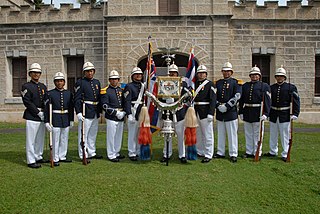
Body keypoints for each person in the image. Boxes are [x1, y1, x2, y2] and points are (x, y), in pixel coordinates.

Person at [265, 66, 300, 162]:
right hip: (273, 113)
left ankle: (285, 153)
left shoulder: (290, 87)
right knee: (273, 134)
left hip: (284, 114)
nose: (279, 78)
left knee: (284, 134)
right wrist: (267, 113)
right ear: (275, 77)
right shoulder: (271, 87)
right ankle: (272, 151)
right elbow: (268, 102)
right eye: (278, 76)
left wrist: (296, 113)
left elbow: (296, 101)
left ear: (284, 77)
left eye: (281, 76)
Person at [238, 66, 271, 159]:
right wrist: (241, 111)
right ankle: (249, 151)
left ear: (259, 76)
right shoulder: (245, 86)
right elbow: (241, 100)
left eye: (256, 75)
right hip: (247, 111)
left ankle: (257, 151)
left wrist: (266, 113)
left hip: (258, 112)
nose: (254, 76)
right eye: (252, 75)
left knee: (257, 134)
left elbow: (267, 101)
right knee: (248, 133)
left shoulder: (264, 86)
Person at [74, 61, 103, 162]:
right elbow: (77, 99)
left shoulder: (97, 82)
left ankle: (91, 152)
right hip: (85, 111)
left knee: (92, 134)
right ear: (84, 72)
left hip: (94, 111)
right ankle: (83, 154)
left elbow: (98, 97)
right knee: (83, 134)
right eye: (87, 71)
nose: (89, 73)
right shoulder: (80, 83)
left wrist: (100, 110)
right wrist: (78, 112)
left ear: (94, 71)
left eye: (91, 71)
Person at [21, 63, 48, 168]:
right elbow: (27, 102)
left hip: (42, 116)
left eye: (38, 72)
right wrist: (38, 112)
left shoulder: (43, 86)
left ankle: (38, 156)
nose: (36, 74)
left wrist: (45, 113)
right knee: (31, 139)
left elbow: (46, 101)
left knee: (40, 138)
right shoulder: (26, 86)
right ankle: (31, 160)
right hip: (32, 116)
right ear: (30, 74)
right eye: (34, 72)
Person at [44, 72, 74, 166]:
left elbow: (70, 107)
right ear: (54, 82)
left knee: (64, 138)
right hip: (55, 118)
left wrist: (71, 119)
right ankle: (55, 157)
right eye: (57, 81)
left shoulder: (68, 93)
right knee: (55, 139)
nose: (59, 83)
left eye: (61, 81)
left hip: (65, 117)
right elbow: (46, 109)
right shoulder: (50, 93)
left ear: (64, 82)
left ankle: (62, 156)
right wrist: (47, 121)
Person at [160, 63, 188, 164]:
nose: (172, 75)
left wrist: (178, 100)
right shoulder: (163, 83)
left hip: (179, 112)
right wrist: (164, 99)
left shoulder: (183, 84)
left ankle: (182, 155)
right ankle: (166, 154)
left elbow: (186, 96)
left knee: (180, 135)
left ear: (177, 74)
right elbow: (159, 97)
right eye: (171, 73)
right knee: (167, 135)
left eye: (174, 73)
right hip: (167, 113)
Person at [215, 62, 242, 163]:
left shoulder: (236, 83)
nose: (226, 73)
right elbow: (214, 96)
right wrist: (218, 105)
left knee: (232, 134)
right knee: (220, 133)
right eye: (224, 71)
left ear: (231, 72)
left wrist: (226, 106)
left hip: (230, 112)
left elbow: (237, 96)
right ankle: (220, 152)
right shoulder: (218, 83)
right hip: (220, 112)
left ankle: (233, 153)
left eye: (228, 71)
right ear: (222, 72)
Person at [100, 70, 126, 162]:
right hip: (111, 116)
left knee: (119, 136)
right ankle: (111, 154)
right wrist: (116, 113)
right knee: (111, 136)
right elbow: (104, 105)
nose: (114, 81)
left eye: (116, 79)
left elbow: (125, 102)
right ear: (109, 80)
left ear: (118, 80)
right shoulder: (105, 91)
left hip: (121, 115)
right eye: (112, 79)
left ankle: (117, 153)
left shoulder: (121, 90)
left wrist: (124, 112)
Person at [193, 65, 216, 163]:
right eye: (199, 73)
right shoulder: (195, 84)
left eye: (203, 73)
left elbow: (213, 100)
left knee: (207, 134)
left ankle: (208, 153)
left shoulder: (210, 84)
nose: (201, 75)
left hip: (205, 111)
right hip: (196, 110)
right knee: (198, 133)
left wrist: (211, 113)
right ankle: (200, 151)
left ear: (206, 74)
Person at [123, 67, 145, 161]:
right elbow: (127, 101)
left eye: (140, 74)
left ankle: (139, 150)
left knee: (140, 133)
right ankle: (132, 152)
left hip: (142, 111)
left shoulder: (143, 86)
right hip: (133, 110)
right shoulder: (129, 86)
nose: (139, 76)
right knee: (132, 133)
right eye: (136, 74)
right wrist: (129, 114)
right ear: (133, 76)